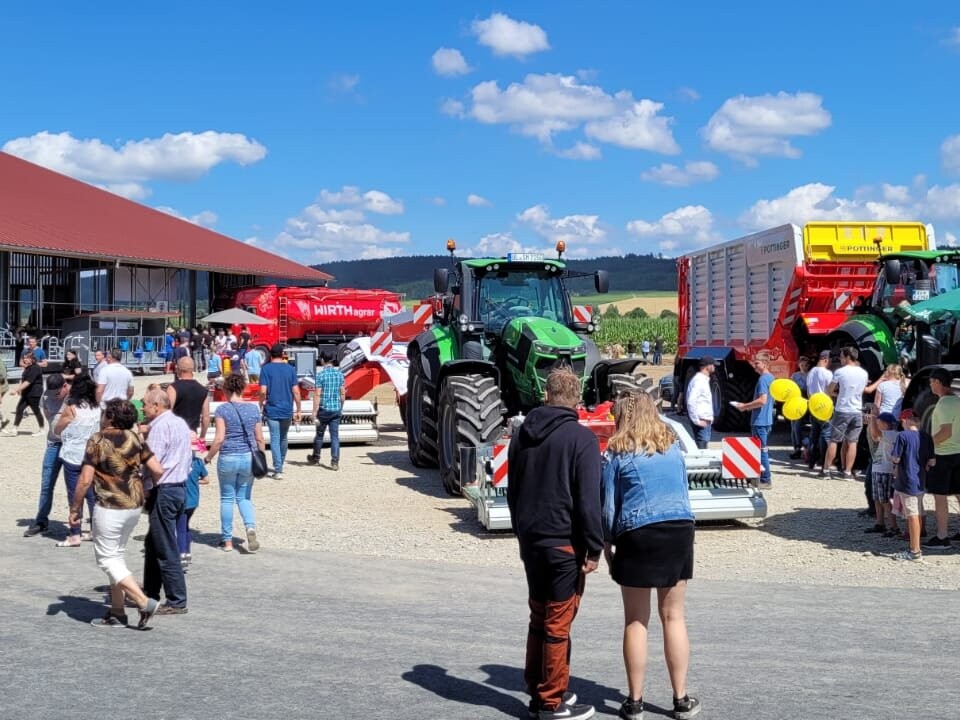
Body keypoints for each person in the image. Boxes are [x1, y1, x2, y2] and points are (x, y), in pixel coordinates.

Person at [506, 367, 602, 720]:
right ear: (576, 398)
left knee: (538, 616)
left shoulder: (521, 435)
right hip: (564, 543)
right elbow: (588, 499)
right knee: (558, 622)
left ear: (546, 394)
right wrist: (595, 547)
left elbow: (512, 491)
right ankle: (551, 700)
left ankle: (540, 687)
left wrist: (521, 534)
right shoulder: (581, 439)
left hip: (532, 539)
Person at [602, 391, 701, 720]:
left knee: (636, 620)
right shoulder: (672, 446)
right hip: (679, 530)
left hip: (639, 534)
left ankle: (635, 701)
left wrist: (607, 547)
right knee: (674, 616)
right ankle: (681, 698)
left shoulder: (616, 451)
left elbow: (608, 510)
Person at [69, 399, 162, 628]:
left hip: (110, 505)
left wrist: (75, 508)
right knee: (116, 556)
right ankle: (117, 612)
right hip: (133, 504)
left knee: (106, 558)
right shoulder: (136, 438)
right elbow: (158, 469)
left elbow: (85, 480)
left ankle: (143, 601)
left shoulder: (97, 440)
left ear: (109, 416)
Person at [141, 388, 193, 614]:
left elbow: (153, 462)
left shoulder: (160, 427)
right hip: (179, 486)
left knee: (165, 546)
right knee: (153, 543)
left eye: (144, 404)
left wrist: (145, 488)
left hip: (165, 488)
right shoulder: (180, 423)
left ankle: (176, 599)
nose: (142, 408)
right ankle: (151, 591)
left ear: (156, 406)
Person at [205, 372, 264, 553]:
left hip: (228, 456)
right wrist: (261, 458)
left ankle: (227, 541)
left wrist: (208, 457)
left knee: (227, 498)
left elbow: (219, 439)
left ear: (226, 389)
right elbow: (260, 438)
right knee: (244, 497)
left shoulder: (223, 410)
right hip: (248, 456)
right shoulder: (254, 409)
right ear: (243, 388)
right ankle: (250, 527)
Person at [54, 374, 102, 545]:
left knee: (74, 493)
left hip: (73, 454)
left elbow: (58, 430)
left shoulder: (72, 408)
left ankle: (75, 533)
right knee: (91, 493)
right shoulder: (97, 408)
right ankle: (96, 530)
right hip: (92, 453)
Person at [23, 373, 71, 537]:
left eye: (57, 393)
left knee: (75, 486)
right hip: (53, 443)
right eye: (51, 394)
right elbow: (48, 415)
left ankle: (79, 526)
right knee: (46, 483)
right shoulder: (46, 396)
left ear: (65, 386)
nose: (54, 397)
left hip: (73, 445)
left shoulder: (75, 398)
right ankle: (41, 521)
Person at [920, 367, 960, 551]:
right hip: (958, 453)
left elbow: (945, 432)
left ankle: (942, 536)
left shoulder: (943, 404)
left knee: (940, 497)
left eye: (931, 382)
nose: (930, 385)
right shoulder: (957, 401)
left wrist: (927, 445)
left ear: (937, 382)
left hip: (943, 455)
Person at [890, 409, 934, 561]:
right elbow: (932, 461)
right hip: (920, 481)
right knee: (919, 512)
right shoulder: (927, 437)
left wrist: (894, 459)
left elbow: (895, 459)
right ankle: (916, 545)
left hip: (907, 481)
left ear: (906, 421)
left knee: (912, 516)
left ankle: (915, 551)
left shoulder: (902, 436)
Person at [820, 346, 869, 480]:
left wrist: (837, 393)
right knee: (853, 442)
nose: (840, 359)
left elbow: (829, 391)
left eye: (841, 356)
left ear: (848, 357)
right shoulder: (863, 373)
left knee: (834, 440)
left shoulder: (840, 372)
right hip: (857, 410)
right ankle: (848, 472)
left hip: (842, 409)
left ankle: (826, 470)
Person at [732, 351, 775, 488]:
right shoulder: (771, 378)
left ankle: (765, 479)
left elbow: (762, 400)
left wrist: (745, 406)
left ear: (765, 363)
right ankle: (760, 477)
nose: (754, 365)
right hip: (766, 420)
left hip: (759, 420)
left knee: (761, 450)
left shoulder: (763, 379)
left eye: (757, 363)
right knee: (760, 449)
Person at [258, 343, 301, 480]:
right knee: (283, 438)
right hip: (287, 408)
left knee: (275, 439)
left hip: (272, 408)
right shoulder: (290, 369)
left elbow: (263, 391)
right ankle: (280, 463)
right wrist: (298, 409)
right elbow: (296, 391)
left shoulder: (266, 369)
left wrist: (261, 404)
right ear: (283, 354)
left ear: (270, 354)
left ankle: (278, 469)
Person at [307, 351, 345, 470]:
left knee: (319, 435)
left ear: (322, 360)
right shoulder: (339, 374)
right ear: (333, 360)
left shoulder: (321, 375)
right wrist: (341, 406)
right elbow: (343, 393)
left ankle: (316, 457)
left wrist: (314, 412)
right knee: (335, 436)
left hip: (324, 409)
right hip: (336, 409)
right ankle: (335, 461)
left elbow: (317, 394)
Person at [865, 412, 899, 536]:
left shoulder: (892, 434)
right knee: (877, 499)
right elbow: (874, 437)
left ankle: (893, 527)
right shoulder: (887, 434)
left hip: (885, 471)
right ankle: (880, 523)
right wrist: (872, 422)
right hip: (878, 469)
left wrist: (873, 418)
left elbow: (876, 434)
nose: (877, 426)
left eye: (879, 423)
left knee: (885, 500)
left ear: (885, 424)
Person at [178, 435, 208, 566]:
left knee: (180, 527)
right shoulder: (199, 462)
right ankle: (188, 552)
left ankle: (182, 553)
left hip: (182, 499)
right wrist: (196, 481)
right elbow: (206, 480)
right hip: (194, 499)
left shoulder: (179, 463)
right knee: (186, 526)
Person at [166, 356, 211, 439]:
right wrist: (202, 436)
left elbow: (167, 413)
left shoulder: (173, 388)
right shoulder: (203, 390)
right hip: (192, 435)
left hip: (176, 434)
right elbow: (206, 418)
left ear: (178, 369)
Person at [3, 352, 46, 436]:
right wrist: (20, 389)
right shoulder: (28, 368)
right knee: (19, 409)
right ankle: (15, 429)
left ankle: (42, 429)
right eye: (24, 358)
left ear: (32, 359)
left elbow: (28, 382)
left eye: (27, 358)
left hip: (34, 393)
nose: (25, 359)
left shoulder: (35, 368)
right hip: (27, 393)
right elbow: (23, 380)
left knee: (36, 410)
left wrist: (16, 390)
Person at [805, 350, 834, 470]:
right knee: (825, 435)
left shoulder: (811, 372)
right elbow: (830, 391)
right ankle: (824, 463)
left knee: (814, 435)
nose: (830, 363)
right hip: (825, 406)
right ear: (826, 360)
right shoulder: (828, 373)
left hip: (813, 405)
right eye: (830, 361)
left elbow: (808, 390)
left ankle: (811, 462)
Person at [685, 356, 714, 450]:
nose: (714, 367)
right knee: (702, 448)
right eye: (713, 365)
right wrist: (696, 421)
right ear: (707, 366)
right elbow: (691, 401)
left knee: (703, 445)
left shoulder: (702, 380)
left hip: (705, 420)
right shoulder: (699, 381)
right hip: (702, 420)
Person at [789, 357, 811, 460]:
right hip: (794, 401)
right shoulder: (794, 375)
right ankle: (795, 447)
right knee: (793, 427)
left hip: (804, 401)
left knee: (797, 426)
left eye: (806, 365)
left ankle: (798, 448)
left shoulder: (810, 375)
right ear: (799, 365)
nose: (804, 367)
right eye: (802, 365)